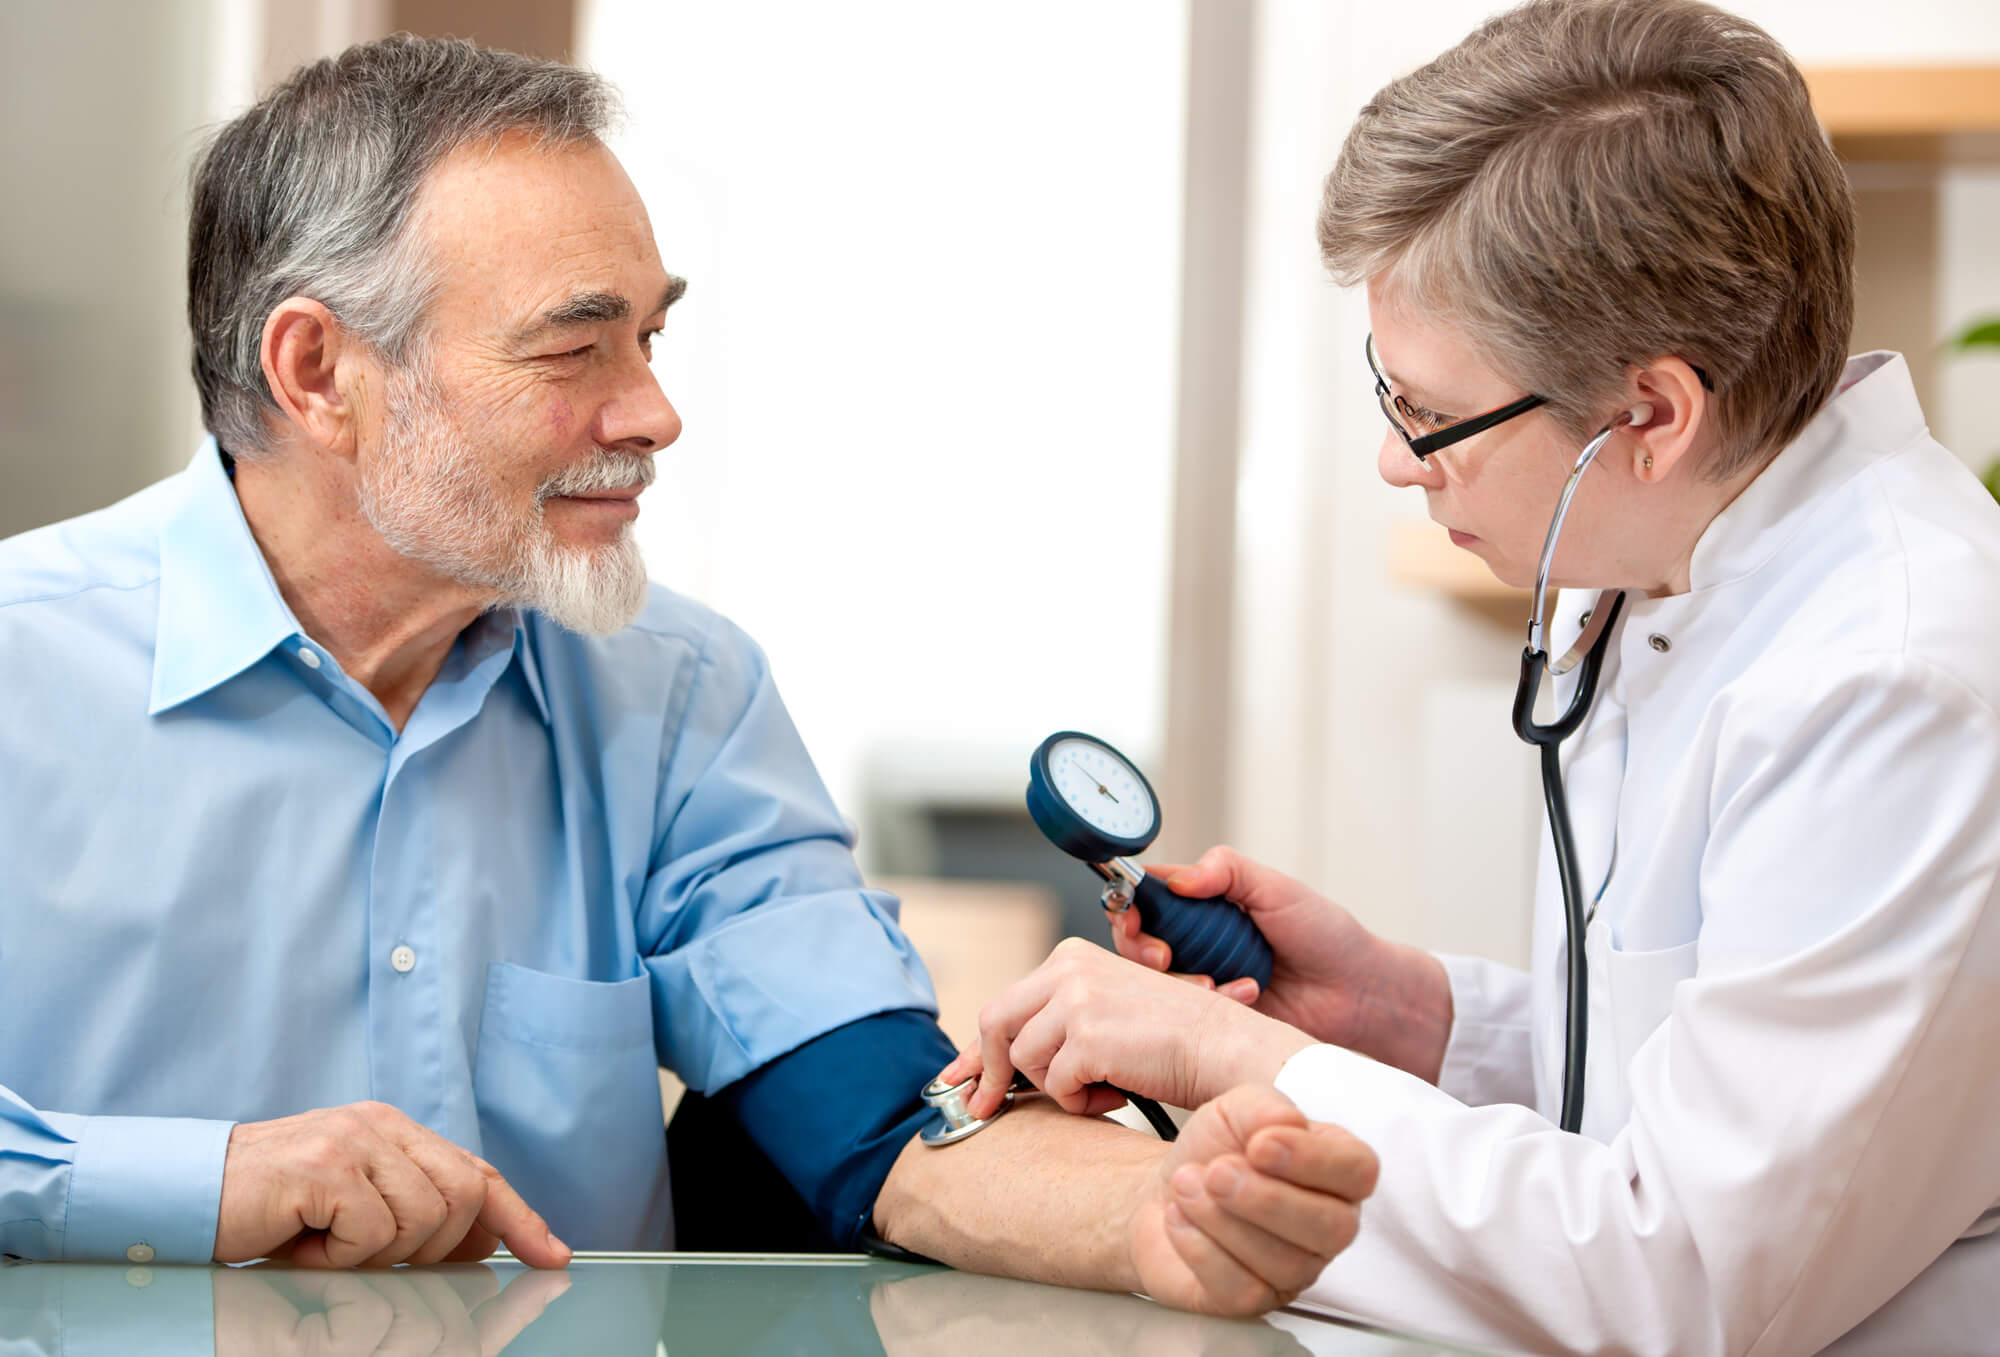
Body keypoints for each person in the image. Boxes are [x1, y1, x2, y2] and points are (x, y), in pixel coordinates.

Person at [0, 35, 1378, 1315]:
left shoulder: (679, 694)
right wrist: (193, 1183)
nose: (654, 412)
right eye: (573, 344)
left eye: (650, 336)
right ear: (319, 371)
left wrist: (1162, 1211)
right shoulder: (24, 665)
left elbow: (882, 1119)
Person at [945, 1, 2000, 1351]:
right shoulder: (1665, 564)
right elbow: (1679, 1078)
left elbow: (1683, 1278)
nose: (1398, 460)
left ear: (1652, 416)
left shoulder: (1894, 681)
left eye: (1433, 416)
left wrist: (1234, 1059)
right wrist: (1406, 1011)